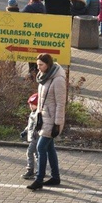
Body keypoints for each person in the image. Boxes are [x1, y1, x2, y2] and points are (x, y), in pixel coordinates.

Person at [27, 53, 66, 190]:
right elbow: (41, 101)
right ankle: (55, 177)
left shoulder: (58, 80)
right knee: (49, 148)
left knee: (40, 147)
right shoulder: (43, 78)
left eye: (41, 65)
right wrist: (38, 116)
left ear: (48, 65)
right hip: (44, 119)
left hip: (53, 120)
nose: (38, 68)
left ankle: (39, 179)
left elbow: (61, 104)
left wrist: (57, 124)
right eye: (37, 65)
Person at [20, 93, 40, 180]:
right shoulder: (33, 113)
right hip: (33, 136)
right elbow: (30, 125)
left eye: (33, 104)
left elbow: (37, 125)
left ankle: (30, 170)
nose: (31, 106)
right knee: (37, 154)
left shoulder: (37, 114)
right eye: (30, 105)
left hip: (35, 137)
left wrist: (35, 133)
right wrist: (25, 131)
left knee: (29, 152)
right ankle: (40, 169)